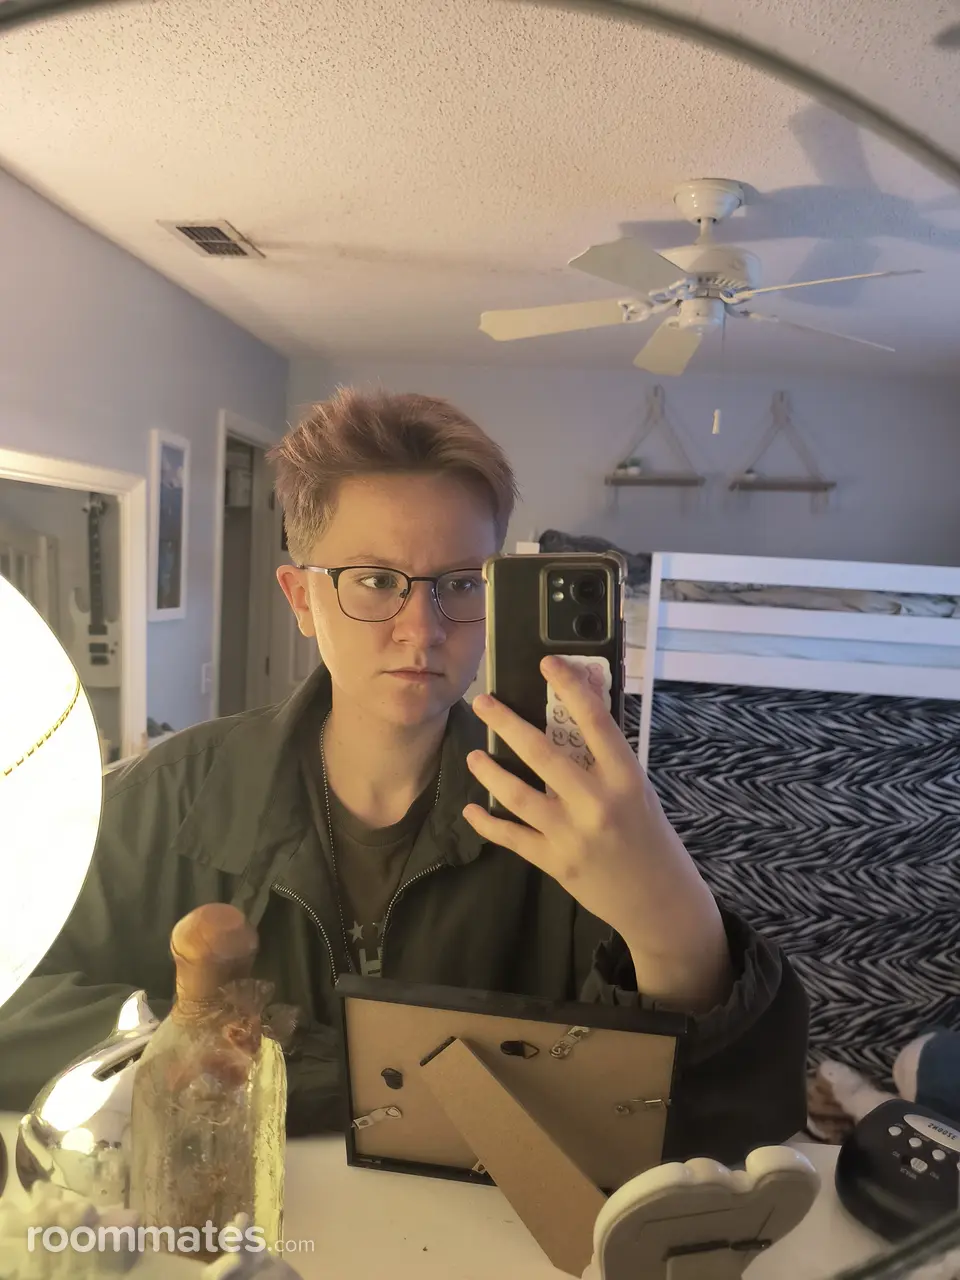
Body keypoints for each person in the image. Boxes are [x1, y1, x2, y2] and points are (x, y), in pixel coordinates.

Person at [0, 388, 808, 1161]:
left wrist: (675, 927)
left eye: (459, 585)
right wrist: (275, 1056)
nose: (421, 630)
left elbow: (715, 1124)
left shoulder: (569, 817)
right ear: (301, 599)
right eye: (377, 581)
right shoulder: (164, 800)